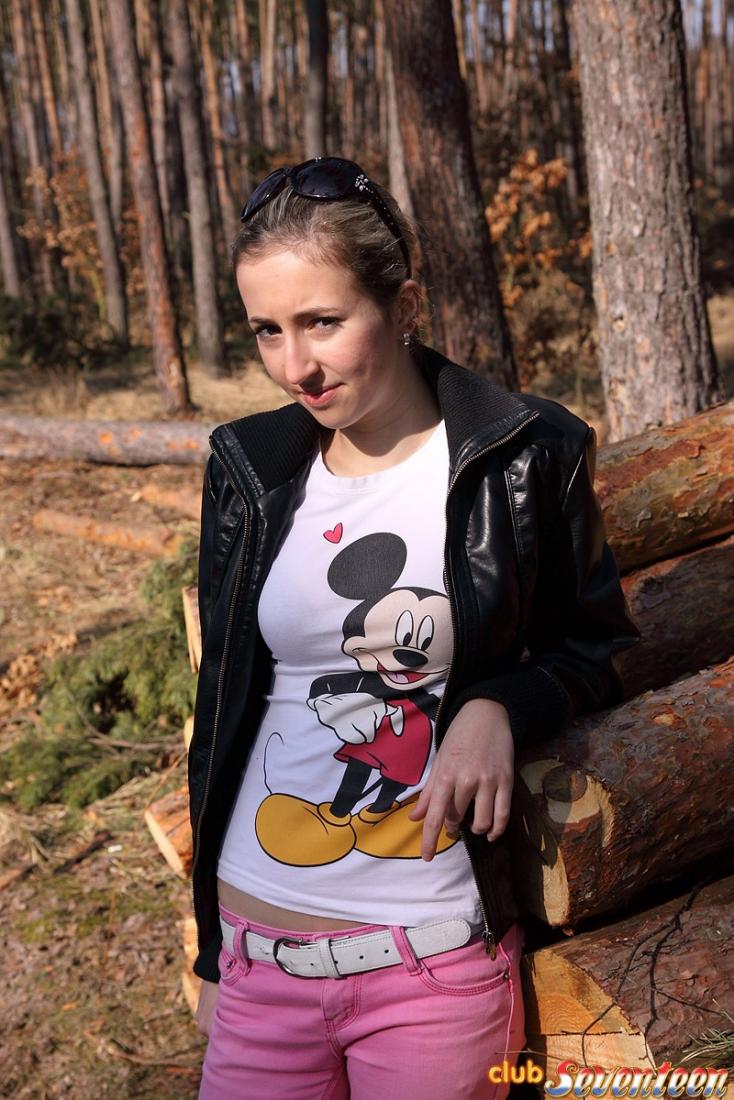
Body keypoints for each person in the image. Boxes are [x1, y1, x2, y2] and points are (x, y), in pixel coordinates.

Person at [189, 156, 641, 1100]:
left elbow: (598, 648)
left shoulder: (525, 455)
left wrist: (497, 705)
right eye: (267, 330)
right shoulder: (250, 467)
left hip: (429, 963)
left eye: (323, 322)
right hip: (256, 957)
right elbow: (224, 705)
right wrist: (209, 950)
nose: (295, 366)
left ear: (403, 305)